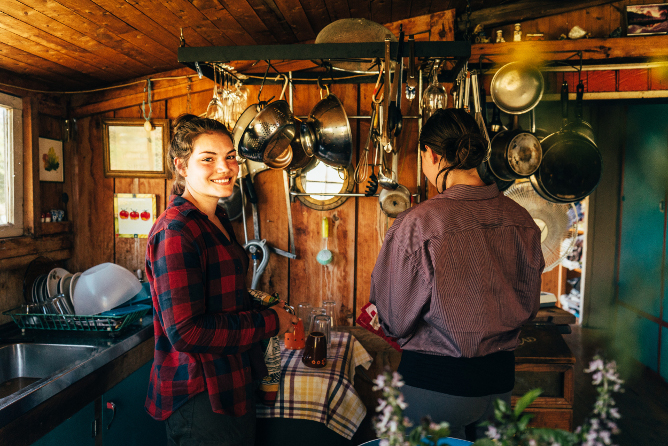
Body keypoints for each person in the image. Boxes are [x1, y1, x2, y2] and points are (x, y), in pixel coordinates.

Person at [369, 108, 545, 441]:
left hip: (435, 388)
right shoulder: (521, 219)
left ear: (432, 155)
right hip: (499, 387)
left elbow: (393, 318)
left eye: (422, 155)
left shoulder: (419, 223)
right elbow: (528, 305)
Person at [144, 114, 297, 446]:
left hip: (229, 383)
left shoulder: (216, 217)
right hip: (200, 395)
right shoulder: (176, 231)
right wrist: (269, 321)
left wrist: (262, 304)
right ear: (181, 167)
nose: (225, 168)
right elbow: (187, 331)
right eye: (208, 159)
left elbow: (219, 295)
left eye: (230, 157)